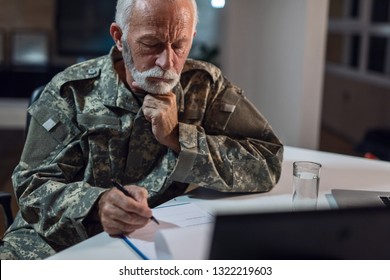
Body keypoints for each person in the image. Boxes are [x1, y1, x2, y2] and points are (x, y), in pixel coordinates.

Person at [0, 0, 283, 260]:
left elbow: (268, 162)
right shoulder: (72, 91)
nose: (167, 62)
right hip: (57, 241)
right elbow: (31, 188)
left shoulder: (204, 87)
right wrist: (96, 204)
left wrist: (179, 138)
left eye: (180, 45)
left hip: (152, 243)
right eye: (151, 44)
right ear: (119, 37)